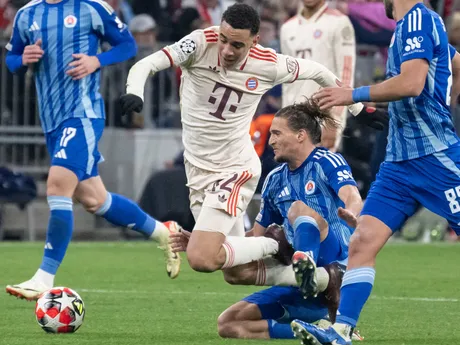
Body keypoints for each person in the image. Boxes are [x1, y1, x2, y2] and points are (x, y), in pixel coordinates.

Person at [120, 3, 387, 276]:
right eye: (224, 40)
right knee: (238, 272)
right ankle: (320, 280)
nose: (226, 50)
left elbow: (318, 71)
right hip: (197, 168)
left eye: (237, 45)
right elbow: (148, 63)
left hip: (234, 169)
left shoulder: (267, 63)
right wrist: (134, 92)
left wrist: (357, 107)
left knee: (201, 258)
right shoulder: (200, 43)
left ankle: (276, 242)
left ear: (254, 41)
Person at [290, 1, 460, 344]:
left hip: (436, 157)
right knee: (362, 242)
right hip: (398, 165)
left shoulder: (416, 19)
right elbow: (454, 62)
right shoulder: (420, 24)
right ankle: (341, 331)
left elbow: (412, 83)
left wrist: (351, 95)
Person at [4, 0, 181, 301]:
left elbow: (126, 45)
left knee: (57, 184)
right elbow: (10, 61)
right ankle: (164, 232)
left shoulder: (91, 8)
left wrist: (96, 61)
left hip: (84, 114)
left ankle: (44, 277)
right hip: (51, 121)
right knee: (94, 199)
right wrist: (24, 59)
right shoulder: (27, 14)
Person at [169, 100, 364, 341]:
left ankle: (310, 268)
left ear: (301, 135)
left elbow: (352, 196)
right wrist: (204, 243)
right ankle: (319, 331)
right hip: (302, 281)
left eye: (276, 133)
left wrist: (353, 213)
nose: (270, 140)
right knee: (228, 323)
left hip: (335, 260)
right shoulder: (274, 179)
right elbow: (255, 238)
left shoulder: (326, 161)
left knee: (298, 209)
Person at [280, 0, 356, 151]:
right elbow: (285, 79)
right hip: (291, 116)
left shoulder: (339, 22)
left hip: (322, 116)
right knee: (292, 172)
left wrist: (334, 121)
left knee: (318, 172)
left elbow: (346, 74)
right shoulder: (287, 28)